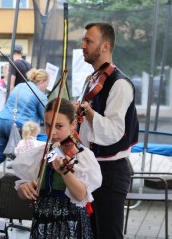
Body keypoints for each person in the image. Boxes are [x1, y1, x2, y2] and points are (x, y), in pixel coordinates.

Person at [77, 22, 139, 239]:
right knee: (90, 233)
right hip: (90, 168)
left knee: (108, 235)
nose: (83, 45)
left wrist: (90, 113)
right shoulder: (92, 80)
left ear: (105, 46)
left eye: (88, 41)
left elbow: (114, 131)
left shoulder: (120, 84)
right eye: (84, 40)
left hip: (110, 172)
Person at [13, 98, 102, 238]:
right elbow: (23, 189)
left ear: (73, 124)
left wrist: (64, 172)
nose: (52, 132)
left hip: (70, 221)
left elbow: (80, 195)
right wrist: (23, 188)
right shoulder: (39, 154)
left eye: (59, 126)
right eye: (48, 125)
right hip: (42, 220)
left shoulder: (81, 155)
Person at [0, 68, 49, 180]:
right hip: (19, 126)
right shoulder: (39, 95)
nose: (46, 88)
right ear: (41, 82)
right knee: (27, 157)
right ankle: (21, 188)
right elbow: (46, 117)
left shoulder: (20, 86)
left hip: (2, 121)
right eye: (46, 84)